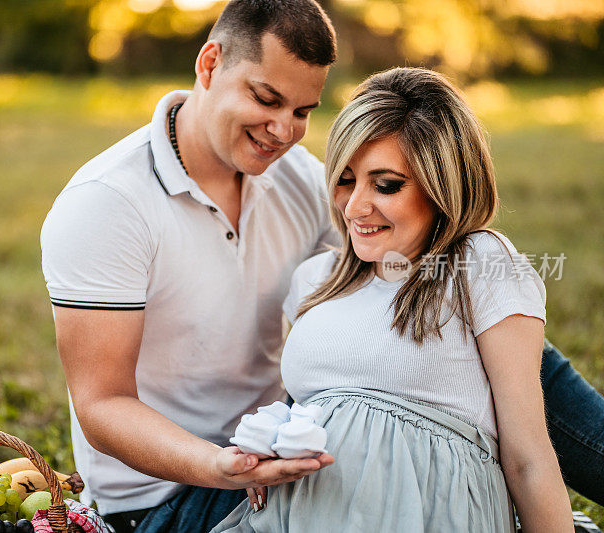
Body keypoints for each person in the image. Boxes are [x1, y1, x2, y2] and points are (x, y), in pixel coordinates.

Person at [40, 1, 604, 531]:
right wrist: (222, 465)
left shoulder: (301, 180)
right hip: (178, 491)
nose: (283, 130)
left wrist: (484, 281)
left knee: (477, 310)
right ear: (210, 64)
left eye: (302, 111)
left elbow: (385, 287)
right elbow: (103, 404)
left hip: (288, 447)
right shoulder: (108, 203)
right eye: (265, 99)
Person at [212, 66, 572, 533]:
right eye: (344, 180)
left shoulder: (479, 264)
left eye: (386, 185)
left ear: (443, 186)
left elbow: (528, 457)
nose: (355, 207)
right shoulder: (313, 280)